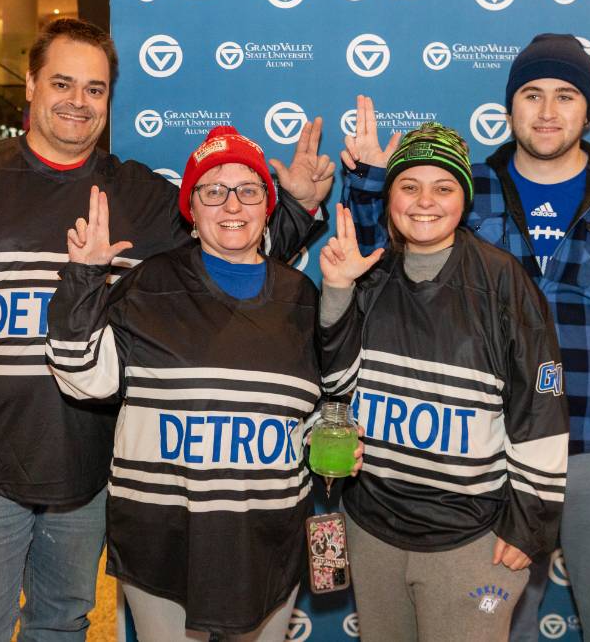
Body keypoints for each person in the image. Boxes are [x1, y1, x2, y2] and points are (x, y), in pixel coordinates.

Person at [0, 18, 334, 642]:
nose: (78, 102)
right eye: (63, 83)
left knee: (62, 622)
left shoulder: (139, 194)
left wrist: (296, 205)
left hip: (90, 464)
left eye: (96, 89)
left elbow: (228, 251)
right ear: (30, 85)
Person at [343, 33, 590, 642]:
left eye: (565, 96)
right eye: (532, 94)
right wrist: (375, 181)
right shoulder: (464, 187)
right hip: (490, 459)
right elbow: (378, 266)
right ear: (511, 106)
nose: (548, 111)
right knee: (498, 628)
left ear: (588, 109)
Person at [46, 126, 361, 641]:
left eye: (248, 189)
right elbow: (83, 378)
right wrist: (83, 277)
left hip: (266, 536)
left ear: (266, 207)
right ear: (191, 211)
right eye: (213, 190)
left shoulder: (301, 296)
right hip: (163, 536)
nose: (231, 204)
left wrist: (329, 444)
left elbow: (329, 395)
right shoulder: (148, 285)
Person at [320, 121, 569, 642]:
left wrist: (529, 524)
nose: (424, 201)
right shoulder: (371, 273)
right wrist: (339, 293)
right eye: (408, 186)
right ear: (390, 198)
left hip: (472, 541)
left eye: (444, 187)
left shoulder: (503, 281)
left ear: (465, 198)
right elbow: (337, 385)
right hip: (374, 528)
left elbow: (540, 411)